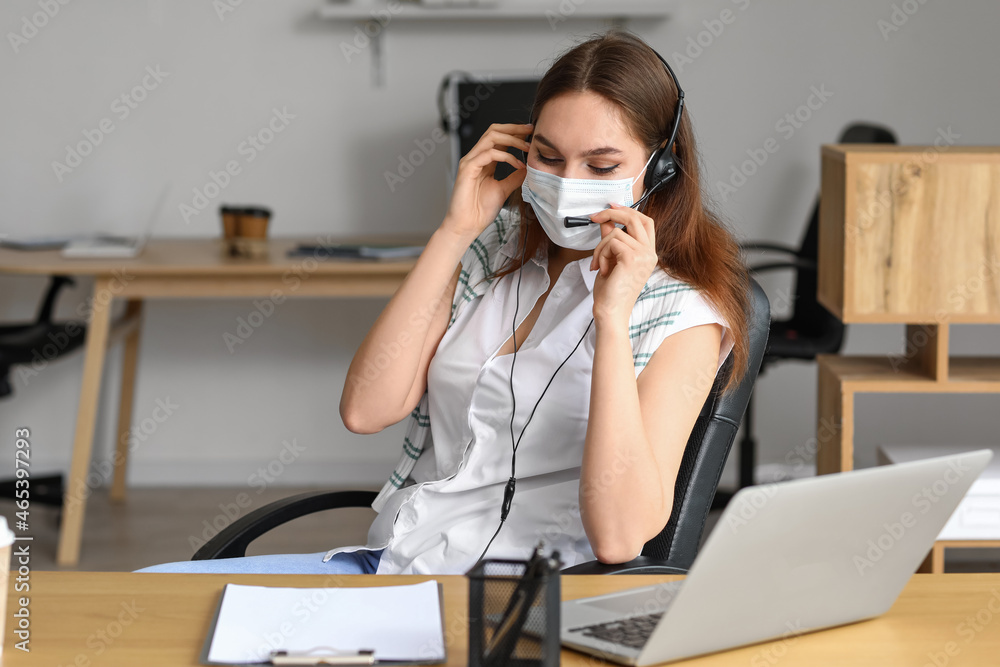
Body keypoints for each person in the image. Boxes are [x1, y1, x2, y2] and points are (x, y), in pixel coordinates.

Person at [136, 29, 751, 576]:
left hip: (516, 608)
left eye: (602, 164)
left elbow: (619, 539)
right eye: (548, 155)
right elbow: (366, 408)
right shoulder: (494, 253)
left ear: (662, 168)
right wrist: (454, 231)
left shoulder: (686, 314)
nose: (569, 182)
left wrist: (612, 321)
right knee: (152, 599)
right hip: (395, 566)